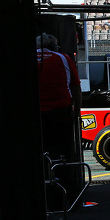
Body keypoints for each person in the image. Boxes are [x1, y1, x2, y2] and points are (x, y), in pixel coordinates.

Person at [36, 33, 81, 163]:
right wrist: (76, 112)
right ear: (55, 46)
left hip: (36, 114)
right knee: (61, 150)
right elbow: (76, 89)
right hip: (60, 112)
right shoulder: (64, 58)